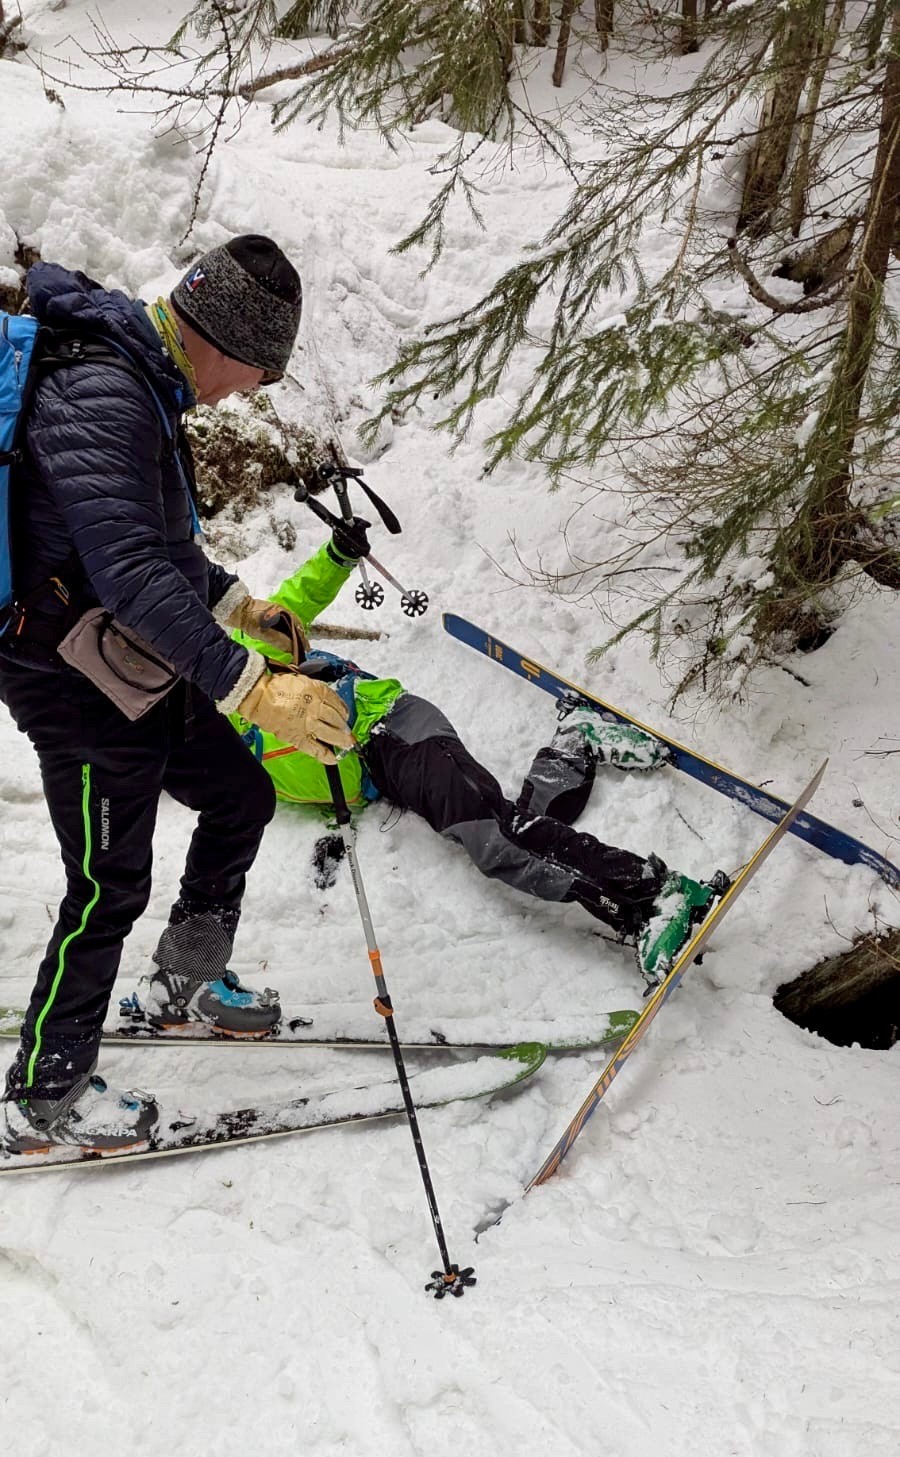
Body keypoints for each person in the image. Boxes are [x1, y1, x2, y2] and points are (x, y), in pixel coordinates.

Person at [0, 236, 354, 1155]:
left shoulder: (141, 375)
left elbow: (157, 540)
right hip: (67, 676)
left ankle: (185, 978)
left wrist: (243, 605)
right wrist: (252, 688)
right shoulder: (107, 390)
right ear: (225, 343)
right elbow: (125, 571)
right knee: (106, 884)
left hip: (130, 655)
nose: (249, 392)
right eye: (259, 375)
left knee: (242, 795)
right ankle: (45, 1094)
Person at [199, 522, 723, 1020]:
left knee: (496, 840)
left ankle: (656, 895)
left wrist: (338, 556)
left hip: (391, 729)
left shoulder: (245, 660)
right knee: (507, 823)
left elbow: (296, 600)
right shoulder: (230, 758)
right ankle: (575, 745)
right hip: (387, 776)